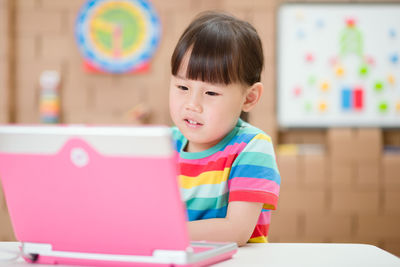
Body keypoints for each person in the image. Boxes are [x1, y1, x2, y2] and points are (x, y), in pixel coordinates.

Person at [169, 11, 280, 247]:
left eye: (210, 92)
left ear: (249, 98)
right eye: (182, 86)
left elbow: (236, 229)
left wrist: (162, 231)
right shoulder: (163, 145)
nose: (192, 104)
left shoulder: (252, 147)